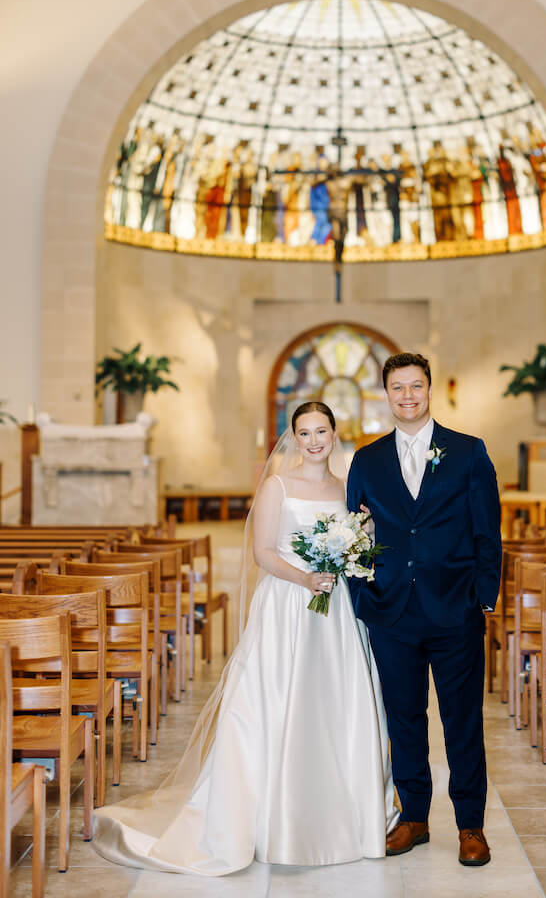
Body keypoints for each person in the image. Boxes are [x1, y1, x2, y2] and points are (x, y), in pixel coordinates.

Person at [93, 401, 398, 875]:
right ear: (293, 438)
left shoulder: (346, 488)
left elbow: (363, 536)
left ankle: (342, 813)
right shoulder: (277, 486)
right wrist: (306, 578)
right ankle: (272, 816)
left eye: (322, 431)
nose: (314, 440)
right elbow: (262, 553)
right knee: (277, 701)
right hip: (288, 606)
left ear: (335, 435)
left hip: (336, 610)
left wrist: (356, 547)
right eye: (304, 432)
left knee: (335, 703)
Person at [347, 353, 502, 867]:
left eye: (416, 386)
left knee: (463, 721)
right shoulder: (366, 460)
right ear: (386, 395)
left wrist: (483, 597)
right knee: (404, 720)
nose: (408, 395)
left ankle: (470, 825)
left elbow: (487, 533)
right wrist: (362, 598)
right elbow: (353, 536)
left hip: (454, 611)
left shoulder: (467, 452)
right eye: (398, 388)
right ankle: (413, 817)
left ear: (430, 390)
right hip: (391, 613)